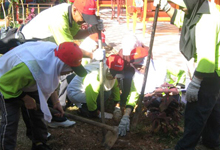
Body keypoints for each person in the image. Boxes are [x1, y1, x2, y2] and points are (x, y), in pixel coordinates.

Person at [19, 0, 105, 128]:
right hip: (31, 45)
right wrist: (92, 55)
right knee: (36, 84)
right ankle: (43, 122)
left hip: (46, 45)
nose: (84, 22)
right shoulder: (59, 19)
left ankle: (52, 116)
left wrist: (91, 30)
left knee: (48, 78)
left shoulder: (71, 14)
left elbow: (74, 34)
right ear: (75, 10)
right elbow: (69, 48)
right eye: (84, 17)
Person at [153, 0, 220, 149]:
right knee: (213, 108)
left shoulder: (207, 20)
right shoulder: (200, 10)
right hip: (214, 71)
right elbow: (183, 20)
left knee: (196, 112)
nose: (183, 9)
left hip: (211, 72)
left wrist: (196, 83)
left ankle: (185, 147)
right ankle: (212, 141)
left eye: (183, 6)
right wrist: (166, 6)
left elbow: (207, 59)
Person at [0, 41, 87, 150]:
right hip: (6, 83)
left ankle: (39, 144)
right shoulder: (29, 68)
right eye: (71, 69)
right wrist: (26, 98)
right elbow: (4, 83)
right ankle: (6, 147)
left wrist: (56, 102)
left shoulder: (53, 57)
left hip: (28, 80)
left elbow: (49, 79)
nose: (70, 72)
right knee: (11, 121)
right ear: (61, 64)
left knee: (37, 114)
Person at [118, 46, 166, 136]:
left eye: (140, 65)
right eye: (135, 66)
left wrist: (157, 92)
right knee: (149, 100)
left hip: (164, 99)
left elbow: (171, 88)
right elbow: (133, 96)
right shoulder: (137, 78)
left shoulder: (160, 69)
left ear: (146, 61)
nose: (138, 68)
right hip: (149, 100)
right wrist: (126, 115)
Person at [66, 54, 124, 119]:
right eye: (114, 73)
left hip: (85, 89)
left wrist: (117, 102)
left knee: (106, 92)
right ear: (109, 68)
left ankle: (91, 107)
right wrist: (96, 112)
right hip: (76, 93)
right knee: (105, 93)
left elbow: (114, 83)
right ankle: (85, 109)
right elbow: (91, 95)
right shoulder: (95, 75)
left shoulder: (108, 68)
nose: (115, 76)